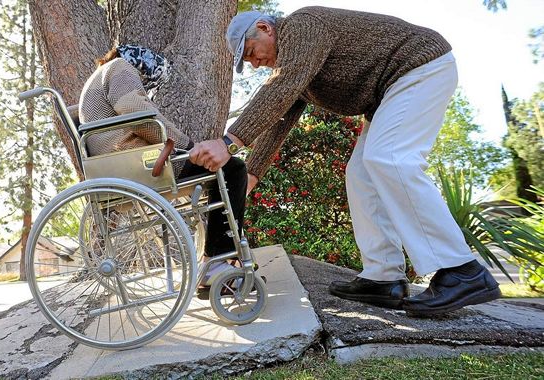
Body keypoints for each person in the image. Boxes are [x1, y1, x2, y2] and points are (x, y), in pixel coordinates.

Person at [188, 7, 501, 317]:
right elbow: (281, 116)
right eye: (248, 61)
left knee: (390, 159)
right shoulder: (297, 64)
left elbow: (281, 87)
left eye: (252, 52)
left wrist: (229, 142)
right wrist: (252, 174)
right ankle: (384, 277)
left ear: (265, 28)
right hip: (390, 92)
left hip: (419, 66)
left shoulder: (302, 26)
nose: (255, 63)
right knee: (361, 174)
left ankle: (461, 269)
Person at [78, 44, 247, 286]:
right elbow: (136, 113)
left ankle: (215, 263)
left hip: (121, 164)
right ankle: (217, 263)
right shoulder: (120, 68)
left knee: (218, 172)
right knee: (232, 169)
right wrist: (187, 146)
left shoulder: (102, 75)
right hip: (139, 165)